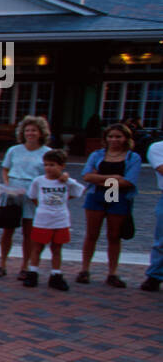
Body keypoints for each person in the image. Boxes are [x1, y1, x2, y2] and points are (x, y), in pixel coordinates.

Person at [76, 122, 140, 287]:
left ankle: (112, 272)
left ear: (125, 138)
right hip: (96, 196)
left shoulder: (132, 157)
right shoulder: (97, 155)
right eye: (111, 136)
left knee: (114, 236)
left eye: (118, 136)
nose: (114, 139)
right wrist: (114, 178)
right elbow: (87, 176)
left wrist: (101, 178)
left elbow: (128, 181)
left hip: (118, 197)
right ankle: (84, 269)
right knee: (91, 234)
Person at [23, 150, 83, 291]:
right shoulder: (39, 181)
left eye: (52, 165)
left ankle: (56, 274)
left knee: (57, 248)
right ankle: (33, 272)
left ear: (62, 166)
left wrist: (67, 180)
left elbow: (77, 191)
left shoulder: (66, 182)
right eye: (46, 165)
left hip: (60, 220)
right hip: (42, 220)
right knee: (37, 248)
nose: (48, 168)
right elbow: (32, 196)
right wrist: (43, 206)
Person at [0, 116, 51, 280]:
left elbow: (50, 174)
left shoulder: (47, 153)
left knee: (28, 231)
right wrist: (8, 186)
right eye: (27, 130)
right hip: (14, 193)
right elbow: (5, 169)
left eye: (34, 130)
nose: (30, 133)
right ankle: (2, 264)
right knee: (8, 229)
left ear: (41, 133)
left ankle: (25, 266)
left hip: (33, 193)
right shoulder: (14, 150)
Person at [141, 135, 163, 292]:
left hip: (113, 189)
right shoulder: (157, 147)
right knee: (162, 240)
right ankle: (155, 275)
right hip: (111, 191)